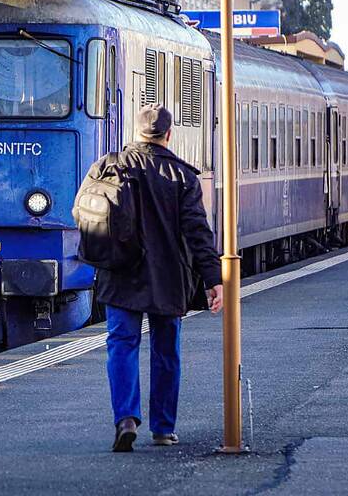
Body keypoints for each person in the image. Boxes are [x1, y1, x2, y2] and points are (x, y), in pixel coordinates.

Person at [93, 104, 223, 452]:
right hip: (167, 278)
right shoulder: (183, 176)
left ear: (137, 133)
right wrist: (213, 279)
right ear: (168, 135)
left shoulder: (110, 165)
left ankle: (125, 419)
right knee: (166, 351)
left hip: (119, 274)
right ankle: (163, 429)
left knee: (122, 345)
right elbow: (199, 234)